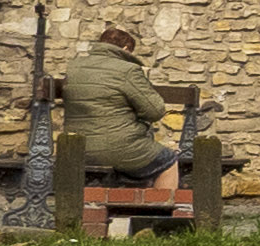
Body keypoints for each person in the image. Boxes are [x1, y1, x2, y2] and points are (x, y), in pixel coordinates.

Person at [53, 22, 183, 205]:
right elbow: (155, 111)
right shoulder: (127, 70)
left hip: (78, 148)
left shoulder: (75, 67)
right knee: (167, 161)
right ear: (125, 49)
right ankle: (159, 213)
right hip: (117, 149)